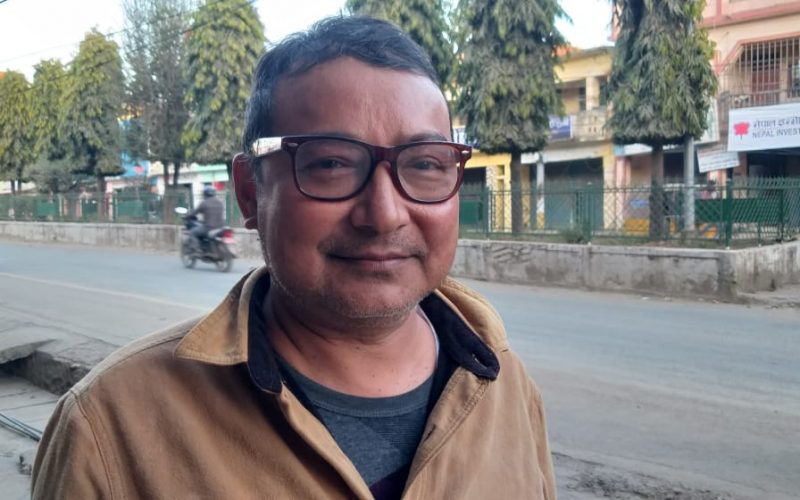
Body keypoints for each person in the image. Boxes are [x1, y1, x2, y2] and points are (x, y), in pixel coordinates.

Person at [32, 16, 555, 499]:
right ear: (250, 192)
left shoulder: (506, 388)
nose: (384, 214)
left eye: (424, 164)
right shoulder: (109, 429)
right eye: (330, 164)